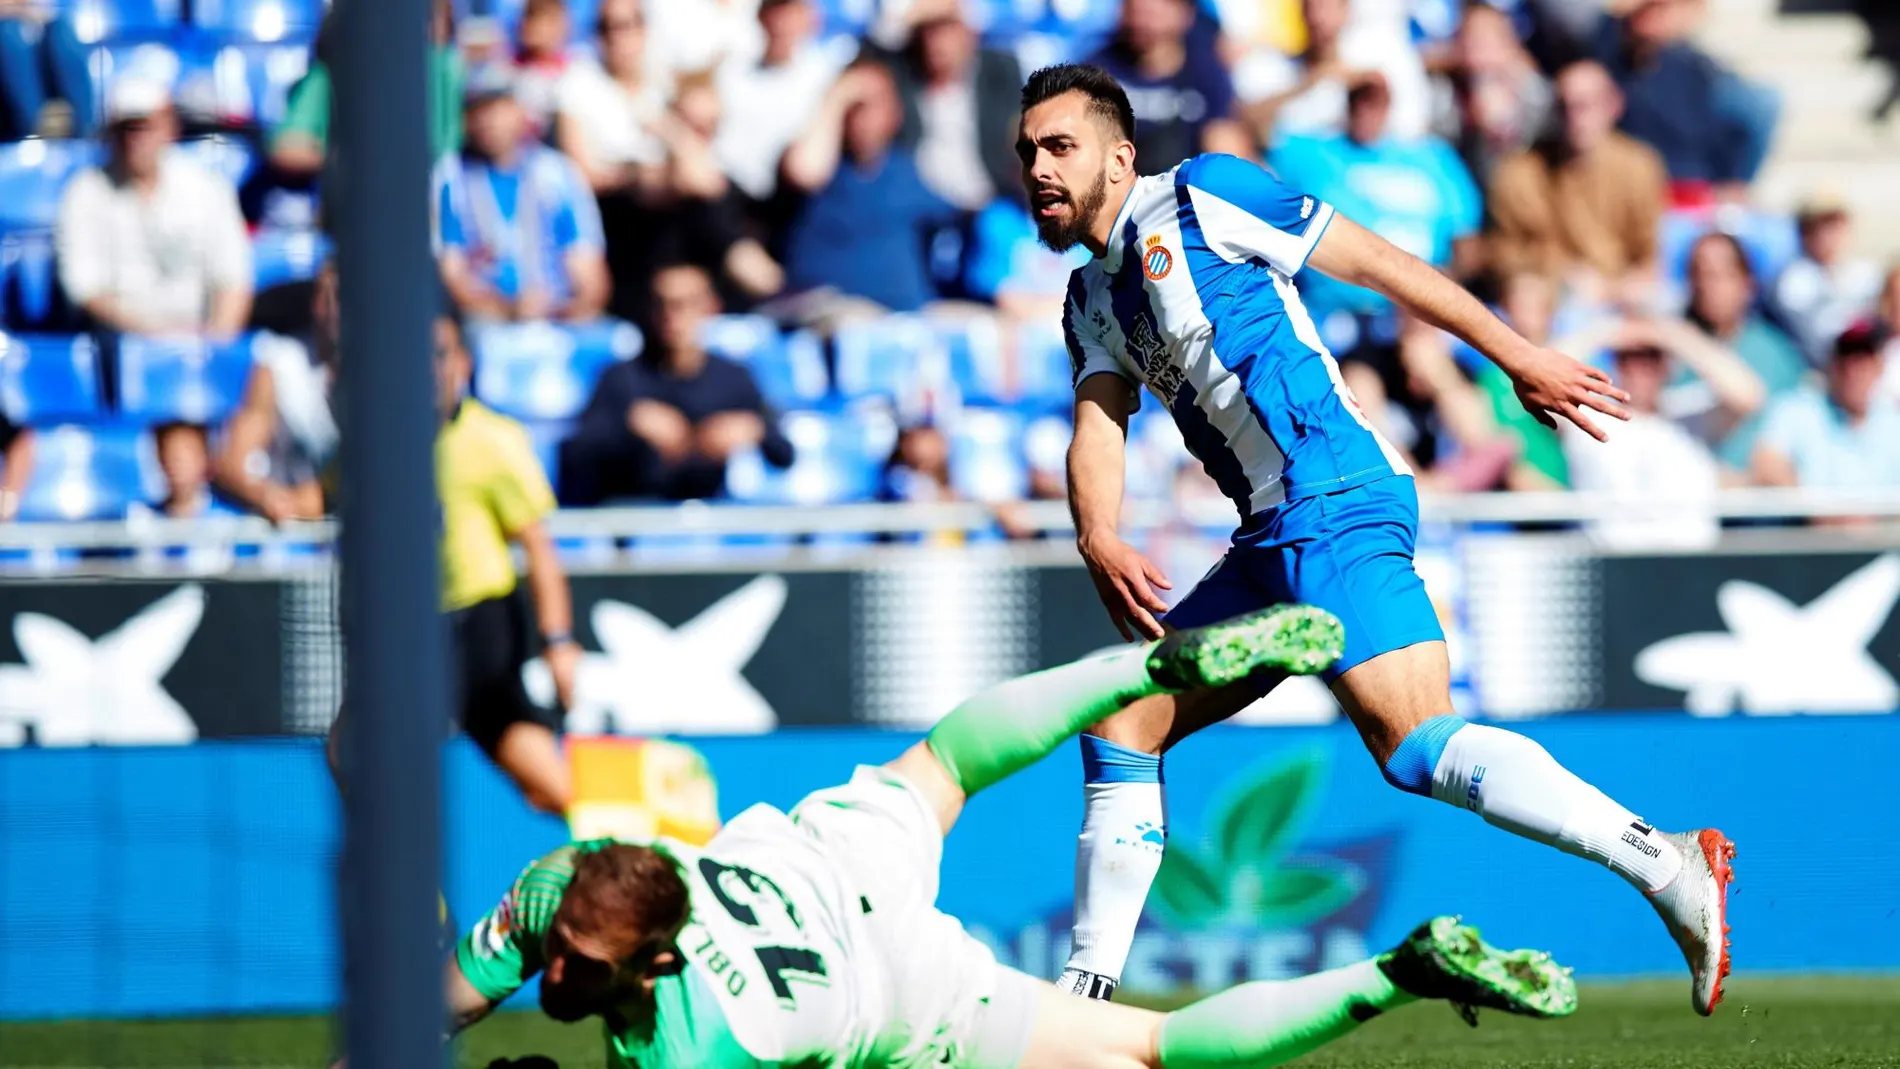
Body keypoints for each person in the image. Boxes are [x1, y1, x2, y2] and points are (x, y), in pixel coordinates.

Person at [1015, 62, 1735, 1012]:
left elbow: (1380, 264)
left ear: (1120, 155)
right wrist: (1096, 531)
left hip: (1334, 494)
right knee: (1122, 728)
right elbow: (1098, 426)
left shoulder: (1205, 195)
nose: (1037, 167)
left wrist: (1516, 354)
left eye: (1059, 146)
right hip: (1269, 538)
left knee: (1413, 743)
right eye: (1026, 150)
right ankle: (1083, 995)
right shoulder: (1090, 300)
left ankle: (1665, 861)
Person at [444, 606, 1581, 1069]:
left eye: (581, 964)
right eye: (561, 947)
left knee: (1139, 1050)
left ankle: (1394, 973)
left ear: (656, 958)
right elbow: (444, 992)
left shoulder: (702, 1049)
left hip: (887, 980)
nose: (552, 966)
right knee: (946, 759)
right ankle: (1145, 667)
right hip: (814, 862)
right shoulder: (572, 884)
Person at [327, 311, 580, 816]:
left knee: (359, 748)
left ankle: (405, 887)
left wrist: (559, 640)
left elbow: (538, 545)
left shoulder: (492, 440)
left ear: (462, 363)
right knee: (547, 785)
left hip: (478, 623)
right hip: (418, 627)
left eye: (439, 354)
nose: (428, 368)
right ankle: (645, 853)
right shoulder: (376, 444)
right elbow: (320, 498)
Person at [57, 74, 254, 518]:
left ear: (169, 126)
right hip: (122, 352)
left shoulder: (205, 189)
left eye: (144, 124)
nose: (136, 138)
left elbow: (233, 279)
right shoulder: (85, 193)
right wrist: (164, 337)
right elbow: (86, 290)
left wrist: (210, 350)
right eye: (127, 127)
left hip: (195, 350)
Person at [561, 263, 794, 505]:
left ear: (711, 308)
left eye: (685, 304)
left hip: (710, 517)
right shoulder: (621, 378)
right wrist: (628, 426)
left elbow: (784, 454)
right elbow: (577, 455)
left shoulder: (734, 377)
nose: (672, 316)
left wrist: (754, 430)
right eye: (662, 304)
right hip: (634, 513)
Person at [779, 58, 960, 318]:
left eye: (875, 104)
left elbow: (961, 211)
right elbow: (804, 172)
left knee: (987, 330)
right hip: (829, 309)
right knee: (862, 327)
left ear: (894, 112)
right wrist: (837, 97)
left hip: (909, 313)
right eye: (856, 106)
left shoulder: (906, 169)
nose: (865, 117)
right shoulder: (821, 163)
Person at [435, 64, 612, 324]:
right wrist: (507, 309)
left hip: (557, 319)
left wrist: (568, 309)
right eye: (478, 110)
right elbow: (452, 273)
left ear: (520, 112)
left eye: (499, 108)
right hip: (485, 324)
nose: (490, 120)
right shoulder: (450, 176)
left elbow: (588, 271)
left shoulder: (556, 173)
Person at [1487, 59, 1666, 302]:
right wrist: (1559, 274)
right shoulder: (1521, 172)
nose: (1574, 119)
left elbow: (1649, 256)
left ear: (1613, 105)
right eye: (1564, 107)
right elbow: (1503, 253)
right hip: (1550, 299)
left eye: (1584, 106)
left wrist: (1612, 288)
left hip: (1620, 295)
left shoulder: (1639, 167)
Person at [214, 261, 341, 524]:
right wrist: (270, 497)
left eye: (343, 296)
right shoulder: (280, 362)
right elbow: (232, 463)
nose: (333, 307)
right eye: (325, 295)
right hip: (289, 532)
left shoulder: (387, 378)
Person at [1234, 0, 1431, 148]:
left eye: (1327, 7)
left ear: (1346, 12)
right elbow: (1245, 119)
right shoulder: (1274, 66)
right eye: (1312, 6)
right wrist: (1311, 82)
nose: (1318, 17)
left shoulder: (1374, 70)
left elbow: (1408, 135)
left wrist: (1370, 98)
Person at [1088, 0, 1251, 174]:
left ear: (1184, 14)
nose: (1141, 20)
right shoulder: (1102, 67)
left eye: (1151, 12)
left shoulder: (1205, 71)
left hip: (1184, 183)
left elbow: (1224, 135)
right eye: (1134, 9)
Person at [1751, 320, 1900, 493]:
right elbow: (1767, 466)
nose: (1855, 372)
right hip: (1807, 518)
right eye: (1847, 360)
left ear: (1879, 368)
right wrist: (1816, 509)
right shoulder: (1797, 409)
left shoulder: (1892, 421)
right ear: (1833, 364)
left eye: (1865, 361)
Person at [1773, 192, 1883, 366]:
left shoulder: (1867, 272)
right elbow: (1820, 334)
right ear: (1806, 232)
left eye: (1837, 224)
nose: (1831, 235)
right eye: (1823, 225)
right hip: (1816, 371)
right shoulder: (1794, 280)